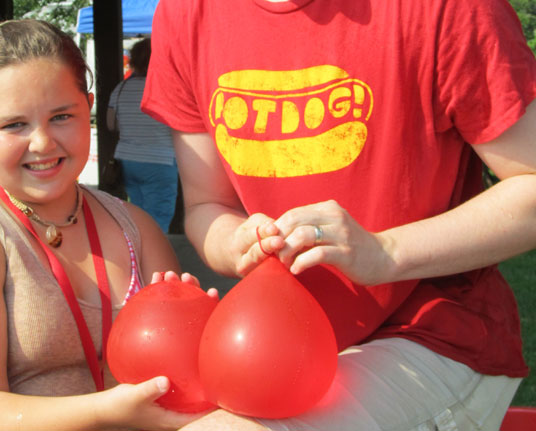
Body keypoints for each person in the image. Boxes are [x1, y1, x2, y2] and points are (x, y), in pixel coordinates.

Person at [141, 0, 536, 429]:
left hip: (435, 333)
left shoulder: (449, 9)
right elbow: (205, 206)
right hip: (281, 344)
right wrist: (233, 243)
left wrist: (386, 252)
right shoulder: (185, 14)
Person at [0, 19, 213, 431]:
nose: (42, 143)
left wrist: (200, 328)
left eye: (61, 116)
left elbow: (171, 380)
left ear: (88, 107)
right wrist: (106, 410)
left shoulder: (136, 229)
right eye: (14, 125)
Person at [107, 38, 179, 233]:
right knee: (159, 218)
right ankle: (154, 261)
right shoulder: (167, 89)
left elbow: (110, 124)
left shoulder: (120, 89)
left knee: (138, 214)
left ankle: (137, 257)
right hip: (161, 161)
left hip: (129, 160)